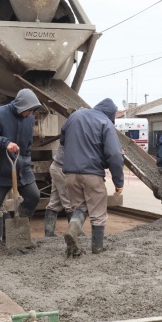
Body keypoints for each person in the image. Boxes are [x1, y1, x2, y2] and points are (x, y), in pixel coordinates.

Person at [0, 89, 42, 254]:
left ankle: (17, 233)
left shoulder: (29, 118)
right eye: (29, 109)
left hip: (21, 170)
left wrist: (25, 162)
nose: (30, 113)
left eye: (33, 110)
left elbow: (27, 145)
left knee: (34, 196)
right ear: (20, 105)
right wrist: (5, 143)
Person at [61, 99, 124, 256]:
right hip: (92, 174)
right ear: (111, 114)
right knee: (98, 214)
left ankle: (72, 230)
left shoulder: (75, 116)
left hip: (69, 173)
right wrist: (118, 182)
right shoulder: (106, 123)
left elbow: (63, 140)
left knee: (80, 208)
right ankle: (97, 249)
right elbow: (114, 155)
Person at [43, 143, 79, 237]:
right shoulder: (76, 132)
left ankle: (49, 233)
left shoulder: (72, 130)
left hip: (57, 167)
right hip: (62, 169)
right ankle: (74, 233)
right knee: (70, 203)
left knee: (55, 203)